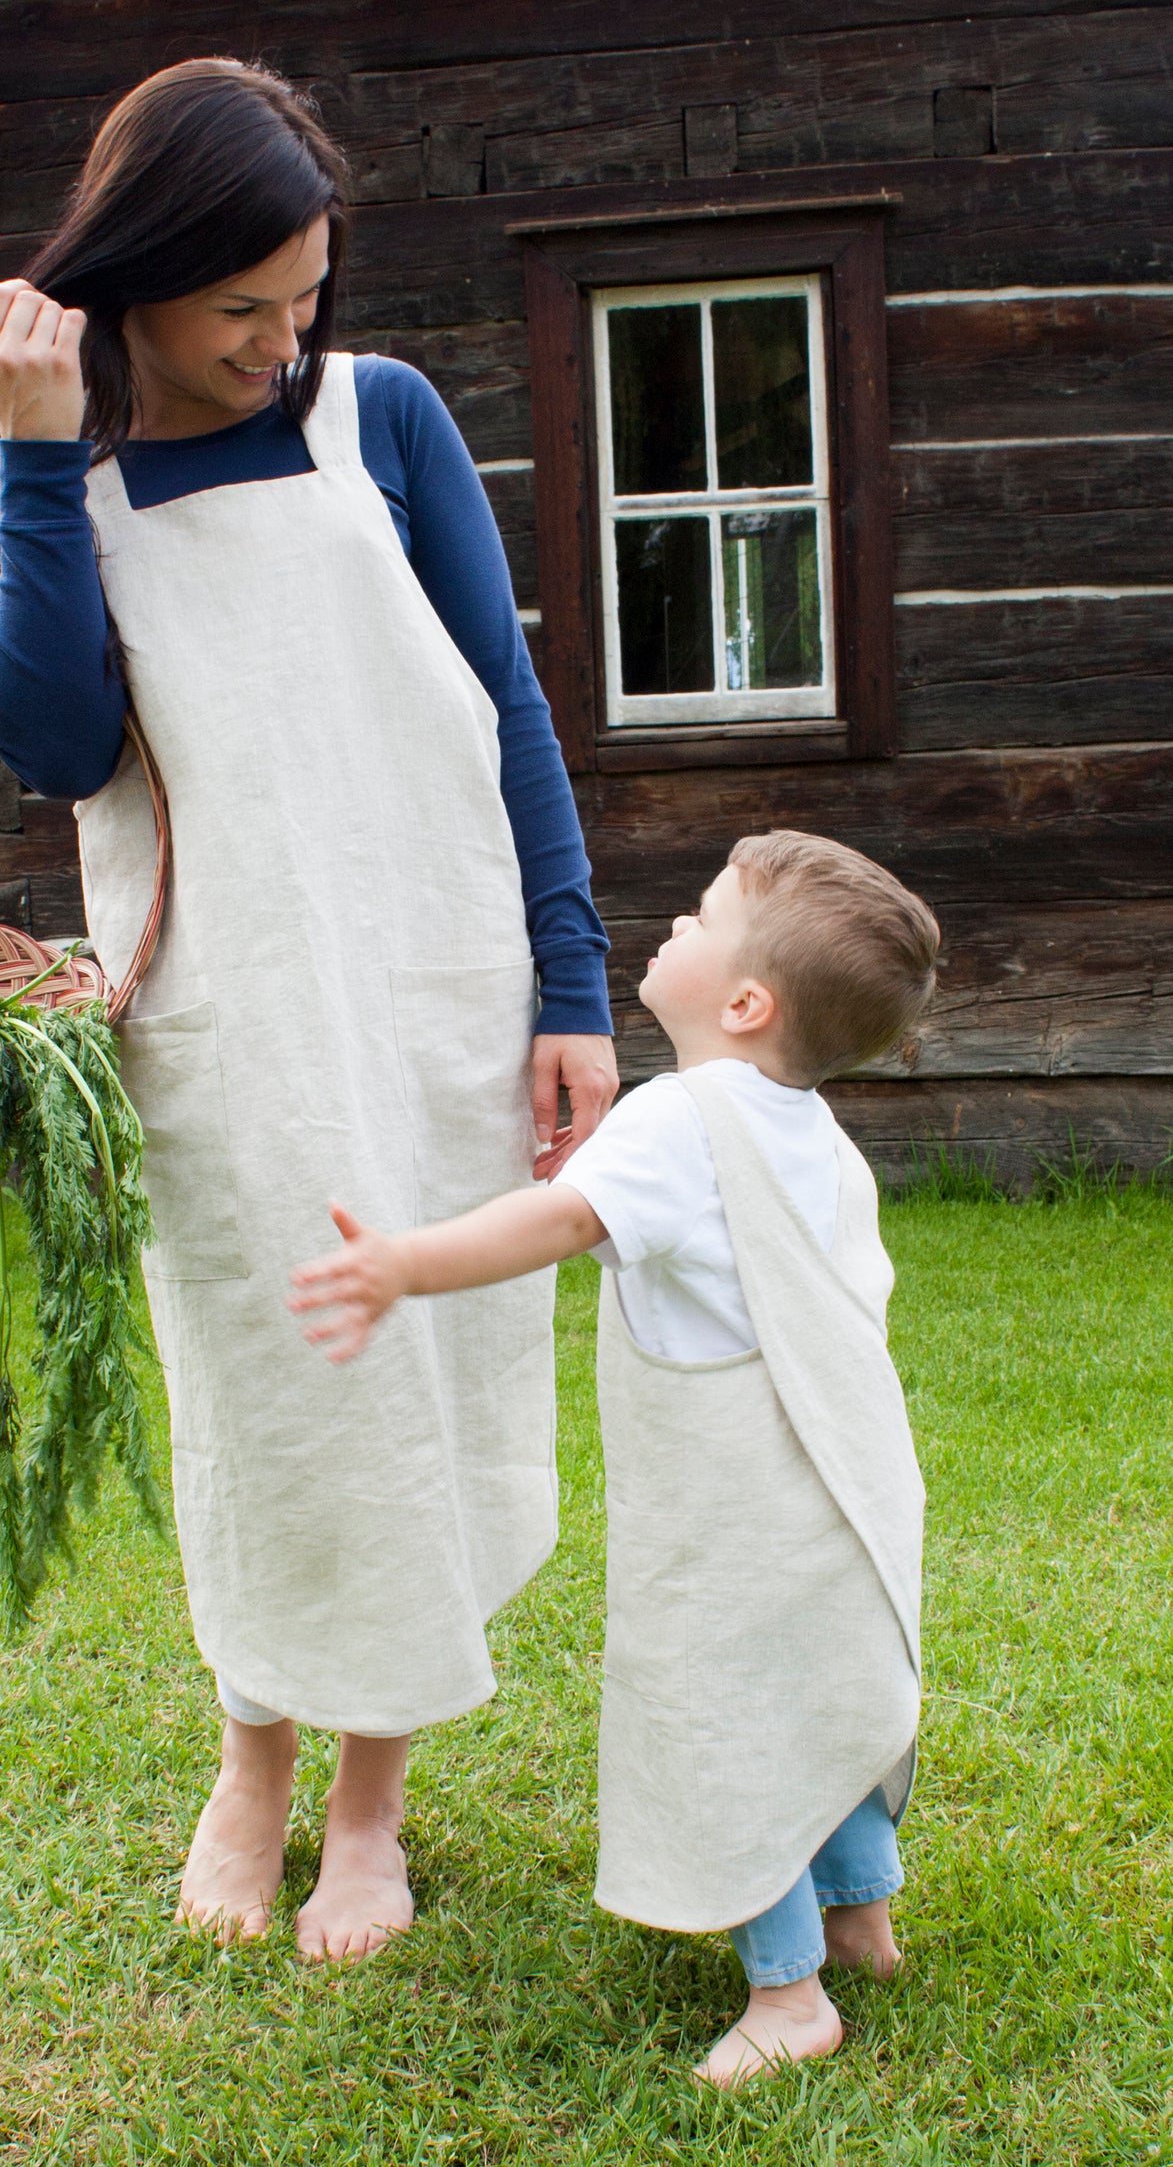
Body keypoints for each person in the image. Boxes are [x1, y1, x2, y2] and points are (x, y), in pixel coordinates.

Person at [0, 57, 618, 1963]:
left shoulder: (381, 418)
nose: (282, 341)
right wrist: (46, 454)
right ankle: (252, 1758)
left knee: (414, 1374)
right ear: (132, 282)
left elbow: (506, 705)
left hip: (432, 981)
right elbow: (55, 742)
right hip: (225, 1014)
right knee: (265, 1383)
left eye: (306, 296)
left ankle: (369, 1800)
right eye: (241, 306)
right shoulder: (25, 479)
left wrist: (572, 983)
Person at [291, 830, 936, 2080]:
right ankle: (861, 1918)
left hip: (730, 1515)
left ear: (744, 1004)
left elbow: (557, 1220)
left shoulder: (678, 1118)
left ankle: (789, 1992)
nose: (675, 925)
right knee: (810, 1697)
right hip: (836, 1495)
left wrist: (401, 1264)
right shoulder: (812, 1131)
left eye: (701, 917)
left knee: (730, 1721)